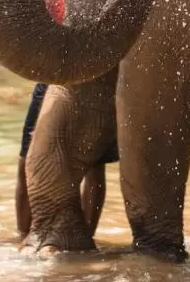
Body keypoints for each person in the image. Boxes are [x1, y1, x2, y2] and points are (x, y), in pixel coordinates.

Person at [15, 82, 119, 238]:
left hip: (97, 81)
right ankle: (23, 235)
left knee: (94, 167)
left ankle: (85, 237)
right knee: (26, 161)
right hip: (51, 81)